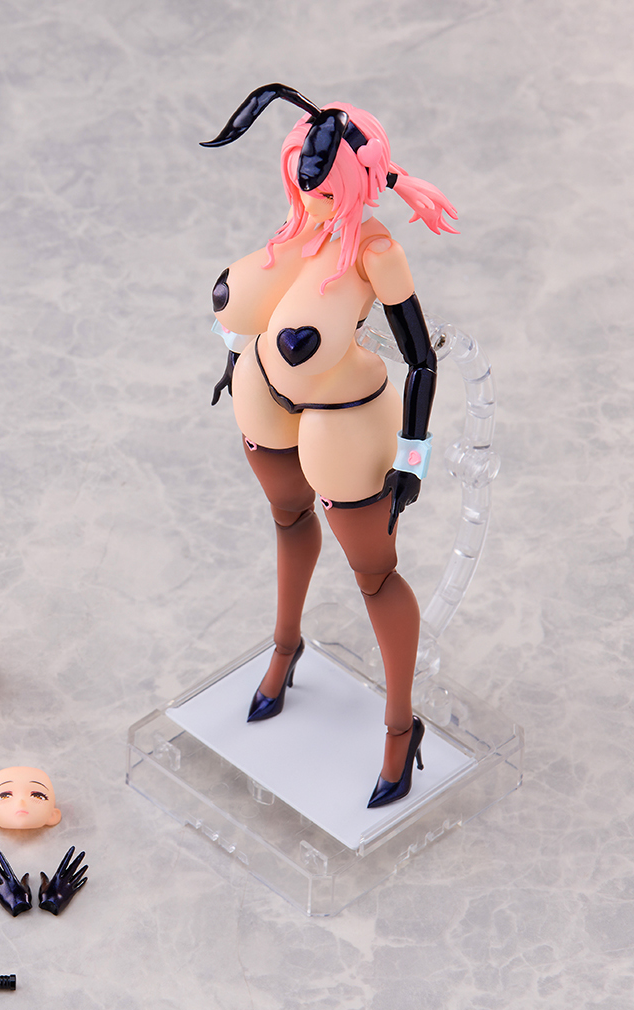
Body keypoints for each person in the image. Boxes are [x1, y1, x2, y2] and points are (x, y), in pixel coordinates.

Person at [201, 84, 457, 808]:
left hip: (343, 413)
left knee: (374, 573)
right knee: (287, 520)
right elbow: (257, 306)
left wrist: (412, 458)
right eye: (300, 175)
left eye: (322, 181)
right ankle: (285, 647)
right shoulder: (299, 223)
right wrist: (232, 360)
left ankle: (401, 727)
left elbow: (422, 361)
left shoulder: (376, 251)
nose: (310, 189)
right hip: (261, 389)